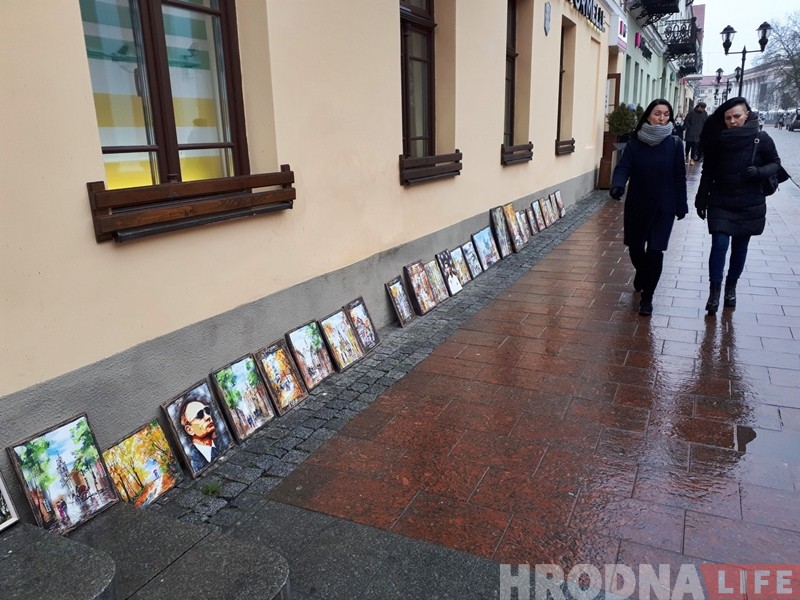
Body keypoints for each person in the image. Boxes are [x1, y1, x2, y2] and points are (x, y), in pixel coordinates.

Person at [695, 96, 782, 315]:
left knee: (740, 248)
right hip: (721, 201)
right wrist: (701, 198)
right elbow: (709, 171)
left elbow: (775, 164)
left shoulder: (761, 139)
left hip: (749, 203)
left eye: (737, 116)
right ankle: (714, 291)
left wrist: (760, 172)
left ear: (747, 114)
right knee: (719, 244)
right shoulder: (718, 140)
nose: (733, 121)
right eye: (728, 118)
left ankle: (731, 287)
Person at [610, 98, 688, 316]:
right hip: (638, 203)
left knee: (655, 251)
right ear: (648, 116)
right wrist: (617, 186)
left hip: (665, 206)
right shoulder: (635, 143)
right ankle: (642, 273)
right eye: (657, 113)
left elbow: (679, 176)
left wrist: (681, 204)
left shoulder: (674, 144)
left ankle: (648, 297)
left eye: (666, 114)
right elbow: (623, 167)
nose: (661, 118)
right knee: (635, 249)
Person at [179, 392, 224, 472]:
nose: (207, 417)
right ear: (189, 429)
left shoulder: (222, 445)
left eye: (207, 411)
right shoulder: (194, 461)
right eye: (200, 415)